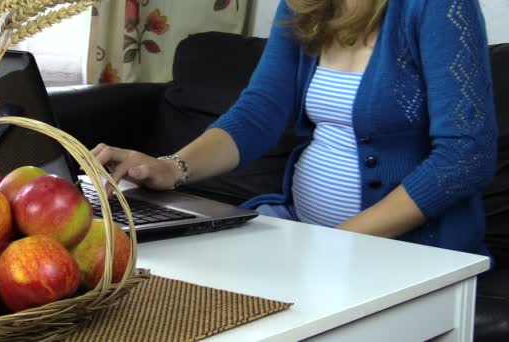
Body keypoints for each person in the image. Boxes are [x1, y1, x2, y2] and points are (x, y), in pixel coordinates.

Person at [91, 0, 498, 255]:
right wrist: (170, 167)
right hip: (301, 228)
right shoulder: (304, 6)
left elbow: (465, 157)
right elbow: (259, 112)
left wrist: (337, 242)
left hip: (405, 251)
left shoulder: (439, 7)